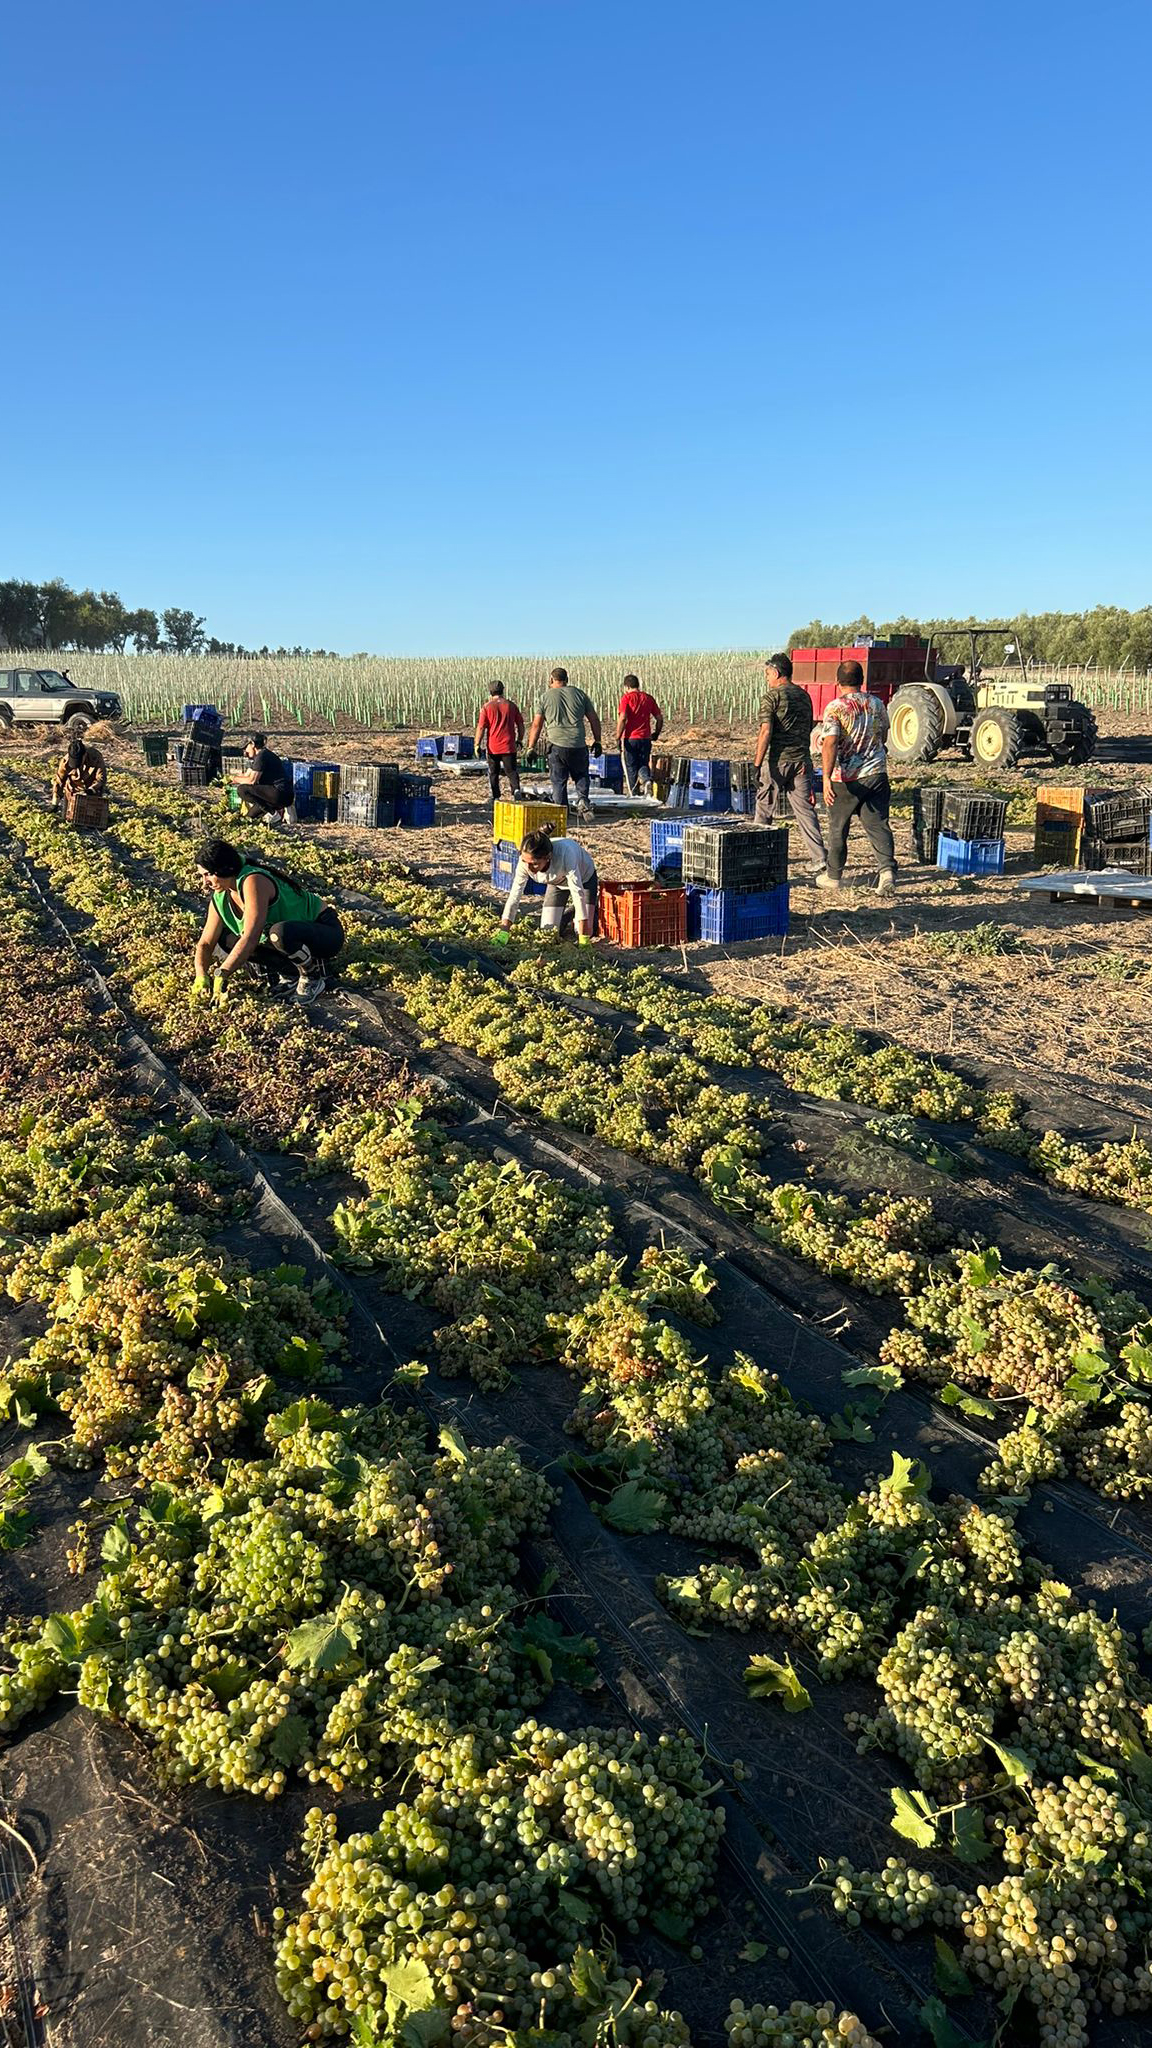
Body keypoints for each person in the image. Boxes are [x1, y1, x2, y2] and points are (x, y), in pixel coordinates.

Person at [192, 838, 345, 1003]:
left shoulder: (253, 881)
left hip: (325, 932)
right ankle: (291, 973)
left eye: (207, 875)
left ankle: (312, 977)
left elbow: (251, 937)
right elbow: (206, 943)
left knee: (279, 933)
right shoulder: (220, 897)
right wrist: (201, 975)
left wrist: (223, 973)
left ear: (223, 868)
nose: (204, 883)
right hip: (289, 939)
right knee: (226, 938)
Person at [815, 660, 897, 893]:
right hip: (876, 773)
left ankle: (833, 876)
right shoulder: (876, 703)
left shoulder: (835, 708)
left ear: (838, 682)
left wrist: (826, 777)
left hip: (847, 779)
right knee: (878, 824)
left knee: (839, 827)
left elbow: (830, 742)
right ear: (861, 681)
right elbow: (883, 734)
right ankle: (887, 873)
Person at [753, 652, 830, 885]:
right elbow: (808, 728)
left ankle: (755, 856)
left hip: (778, 762)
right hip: (802, 763)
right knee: (805, 811)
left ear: (776, 673)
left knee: (764, 809)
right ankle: (820, 857)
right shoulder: (805, 696)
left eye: (767, 674)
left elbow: (766, 732)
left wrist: (757, 763)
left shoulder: (771, 698)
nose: (767, 679)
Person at [524, 668, 602, 822]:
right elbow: (593, 719)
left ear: (551, 680)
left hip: (557, 745)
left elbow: (536, 725)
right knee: (581, 775)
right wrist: (597, 741)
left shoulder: (545, 697)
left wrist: (531, 747)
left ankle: (562, 813)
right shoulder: (580, 694)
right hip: (578, 743)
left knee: (559, 781)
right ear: (567, 679)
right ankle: (583, 800)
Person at [497, 824, 599, 942]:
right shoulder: (525, 862)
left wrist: (584, 937)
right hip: (557, 883)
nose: (528, 867)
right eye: (525, 861)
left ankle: (594, 906)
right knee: (549, 933)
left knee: (583, 932)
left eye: (534, 863)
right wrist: (504, 932)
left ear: (548, 857)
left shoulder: (566, 854)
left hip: (584, 880)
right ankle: (571, 912)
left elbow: (577, 892)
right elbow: (514, 895)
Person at [474, 680, 524, 801]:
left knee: (493, 772)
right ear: (503, 690)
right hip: (509, 746)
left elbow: (481, 727)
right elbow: (520, 725)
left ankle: (496, 796)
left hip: (493, 747)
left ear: (490, 692)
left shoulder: (486, 707)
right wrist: (519, 740)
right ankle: (516, 790)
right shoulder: (511, 705)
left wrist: (477, 744)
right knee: (511, 771)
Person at [614, 674, 664, 794]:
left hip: (630, 738)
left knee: (631, 767)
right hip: (645, 738)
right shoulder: (648, 698)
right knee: (643, 764)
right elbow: (659, 718)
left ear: (626, 686)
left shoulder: (626, 698)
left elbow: (623, 718)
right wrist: (656, 733)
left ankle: (634, 794)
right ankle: (647, 780)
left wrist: (618, 736)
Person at [233, 733, 291, 820]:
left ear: (252, 744)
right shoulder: (262, 755)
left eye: (246, 748)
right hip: (279, 795)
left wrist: (234, 778)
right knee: (248, 818)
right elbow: (248, 775)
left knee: (242, 789)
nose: (245, 752)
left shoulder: (261, 756)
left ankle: (273, 813)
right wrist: (238, 778)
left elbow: (251, 780)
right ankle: (274, 812)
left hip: (280, 793)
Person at [53, 732, 107, 810]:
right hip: (72, 792)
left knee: (89, 815)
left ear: (84, 755)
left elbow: (101, 778)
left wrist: (90, 790)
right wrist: (55, 803)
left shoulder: (95, 757)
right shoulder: (65, 761)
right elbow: (59, 781)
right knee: (70, 814)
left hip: (91, 793)